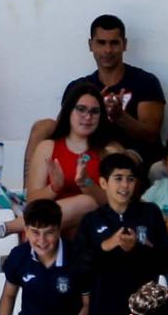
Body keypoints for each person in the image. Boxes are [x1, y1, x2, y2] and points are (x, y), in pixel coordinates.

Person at [27, 15, 167, 174]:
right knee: (42, 127)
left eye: (114, 43)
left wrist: (120, 117)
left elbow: (151, 134)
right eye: (101, 43)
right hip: (88, 149)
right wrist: (92, 111)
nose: (108, 50)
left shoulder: (145, 81)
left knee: (114, 151)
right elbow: (63, 130)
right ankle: (28, 194)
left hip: (132, 154)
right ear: (90, 45)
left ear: (125, 45)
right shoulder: (78, 87)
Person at [76, 151, 168, 315]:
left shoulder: (150, 213)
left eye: (130, 179)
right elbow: (81, 267)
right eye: (118, 179)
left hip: (144, 311)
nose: (125, 185)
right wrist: (107, 246)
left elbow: (165, 260)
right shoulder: (92, 220)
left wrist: (137, 247)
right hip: (106, 310)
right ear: (103, 183)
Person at [17, 84, 125, 236]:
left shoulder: (110, 151)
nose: (88, 117)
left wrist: (86, 182)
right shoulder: (47, 147)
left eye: (94, 112)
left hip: (94, 232)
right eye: (81, 109)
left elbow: (116, 204)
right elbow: (32, 203)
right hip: (42, 234)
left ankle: (9, 227)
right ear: (69, 111)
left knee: (87, 203)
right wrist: (54, 188)